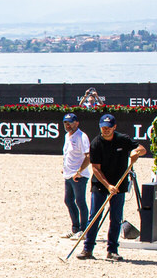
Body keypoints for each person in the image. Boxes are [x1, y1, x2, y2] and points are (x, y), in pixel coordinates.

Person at [79, 113, 147, 261]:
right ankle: (87, 249)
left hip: (119, 185)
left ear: (114, 127)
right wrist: (108, 186)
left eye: (108, 127)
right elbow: (96, 169)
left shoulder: (123, 139)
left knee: (116, 218)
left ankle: (112, 250)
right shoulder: (96, 143)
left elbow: (142, 148)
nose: (106, 130)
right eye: (103, 127)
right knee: (94, 217)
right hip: (101, 185)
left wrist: (137, 152)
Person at [60, 112, 90, 237]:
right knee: (68, 200)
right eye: (66, 123)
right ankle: (75, 228)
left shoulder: (82, 137)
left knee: (80, 201)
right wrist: (64, 167)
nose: (68, 125)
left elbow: (88, 156)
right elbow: (68, 154)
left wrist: (79, 171)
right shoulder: (67, 136)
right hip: (68, 174)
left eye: (70, 123)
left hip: (79, 176)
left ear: (77, 123)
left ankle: (84, 229)